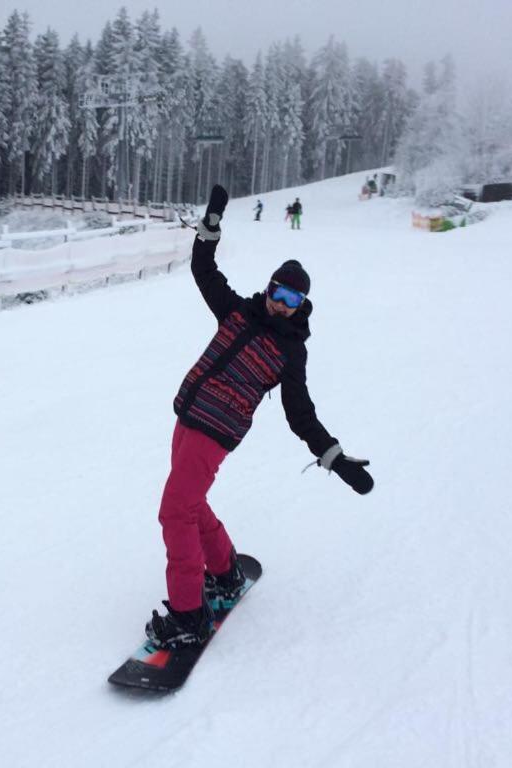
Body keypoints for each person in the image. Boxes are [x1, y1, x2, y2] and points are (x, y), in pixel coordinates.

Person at [145, 185, 374, 649]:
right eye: (278, 293)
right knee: (191, 505)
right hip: (188, 417)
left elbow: (301, 414)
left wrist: (336, 458)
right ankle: (225, 571)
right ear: (268, 288)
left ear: (302, 305)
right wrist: (211, 224)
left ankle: (189, 616)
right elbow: (203, 269)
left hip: (216, 432)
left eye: (292, 300)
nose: (281, 305)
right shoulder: (237, 312)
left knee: (174, 511)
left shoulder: (290, 352)